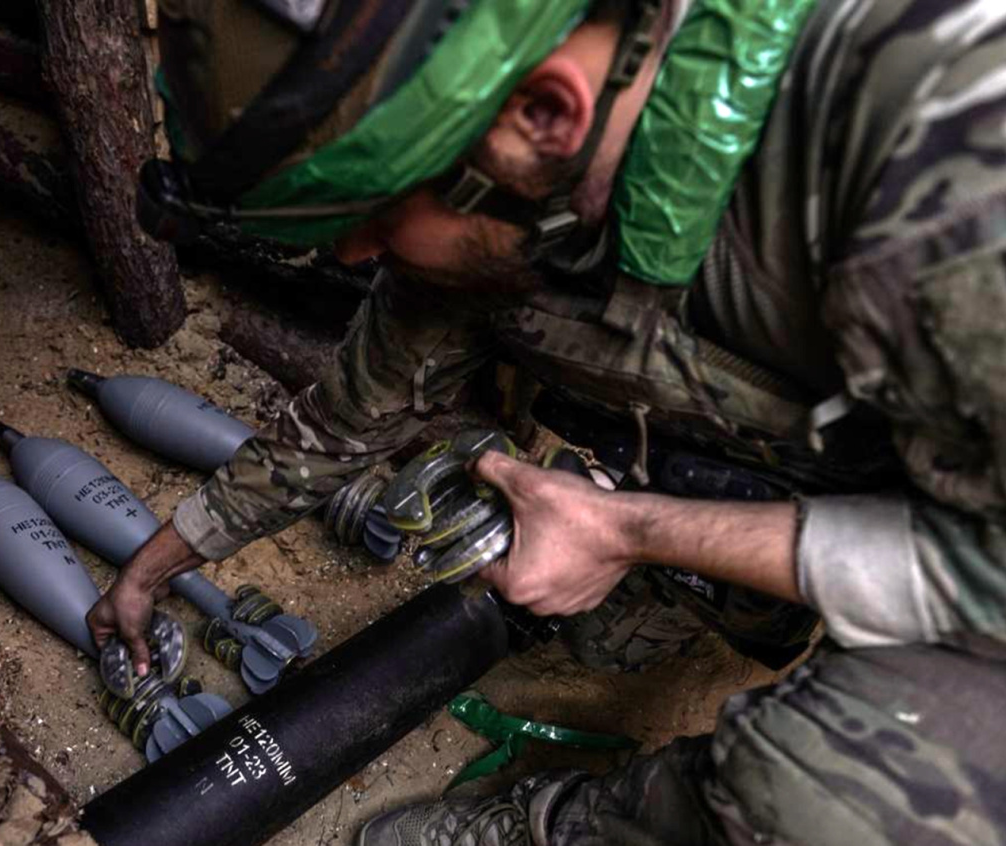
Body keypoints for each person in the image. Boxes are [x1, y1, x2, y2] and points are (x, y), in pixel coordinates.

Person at [88, 0, 1006, 843]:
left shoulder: (942, 156)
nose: (357, 254)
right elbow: (345, 422)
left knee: (828, 808)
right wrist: (159, 564)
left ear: (545, 112)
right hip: (834, 474)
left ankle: (557, 827)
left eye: (377, 214)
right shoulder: (507, 176)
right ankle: (717, 585)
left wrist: (631, 532)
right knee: (601, 598)